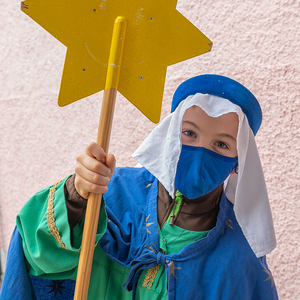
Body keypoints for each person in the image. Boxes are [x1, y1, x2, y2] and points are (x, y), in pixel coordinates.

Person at [0, 74, 278, 300]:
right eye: (189, 133)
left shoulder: (242, 251)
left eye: (221, 144)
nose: (201, 152)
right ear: (169, 135)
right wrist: (77, 195)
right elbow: (39, 255)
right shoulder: (112, 191)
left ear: (238, 162)